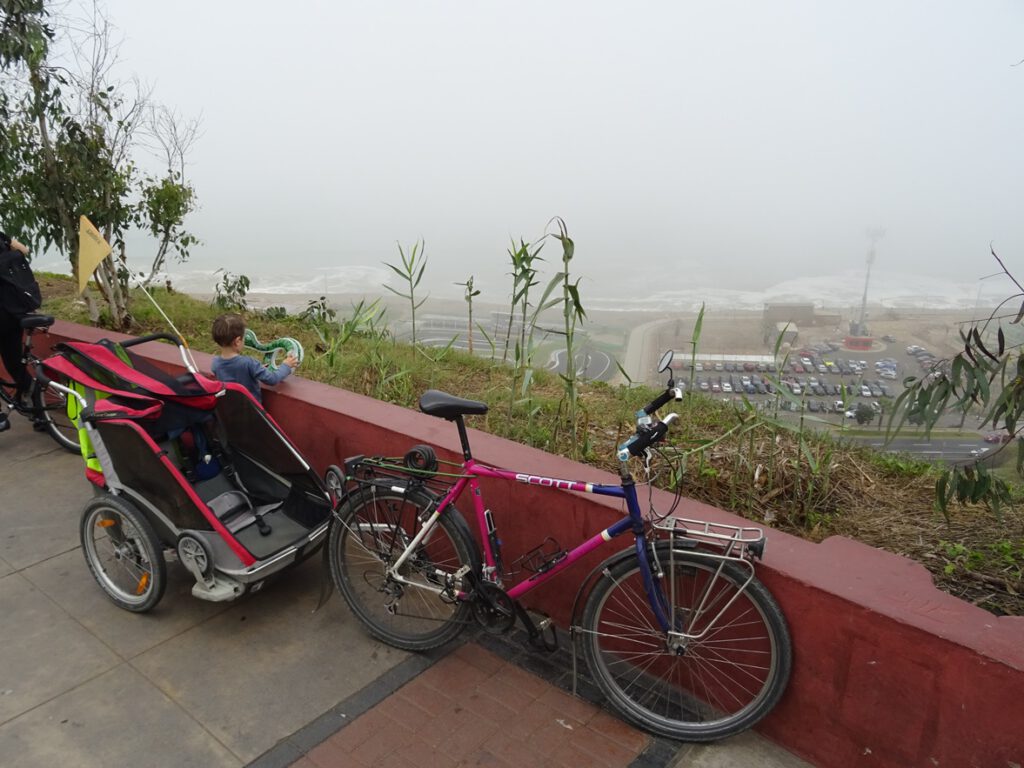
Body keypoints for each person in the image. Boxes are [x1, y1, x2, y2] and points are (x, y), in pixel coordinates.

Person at [210, 313, 297, 403]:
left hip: (229, 411)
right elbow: (272, 379)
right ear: (238, 341)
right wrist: (286, 366)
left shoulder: (215, 364)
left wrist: (259, 369)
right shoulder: (249, 363)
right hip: (251, 413)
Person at [0, 232, 33, 432]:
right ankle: (39, 412)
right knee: (15, 363)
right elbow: (24, 250)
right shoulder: (2, 237)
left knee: (15, 363)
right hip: (12, 312)